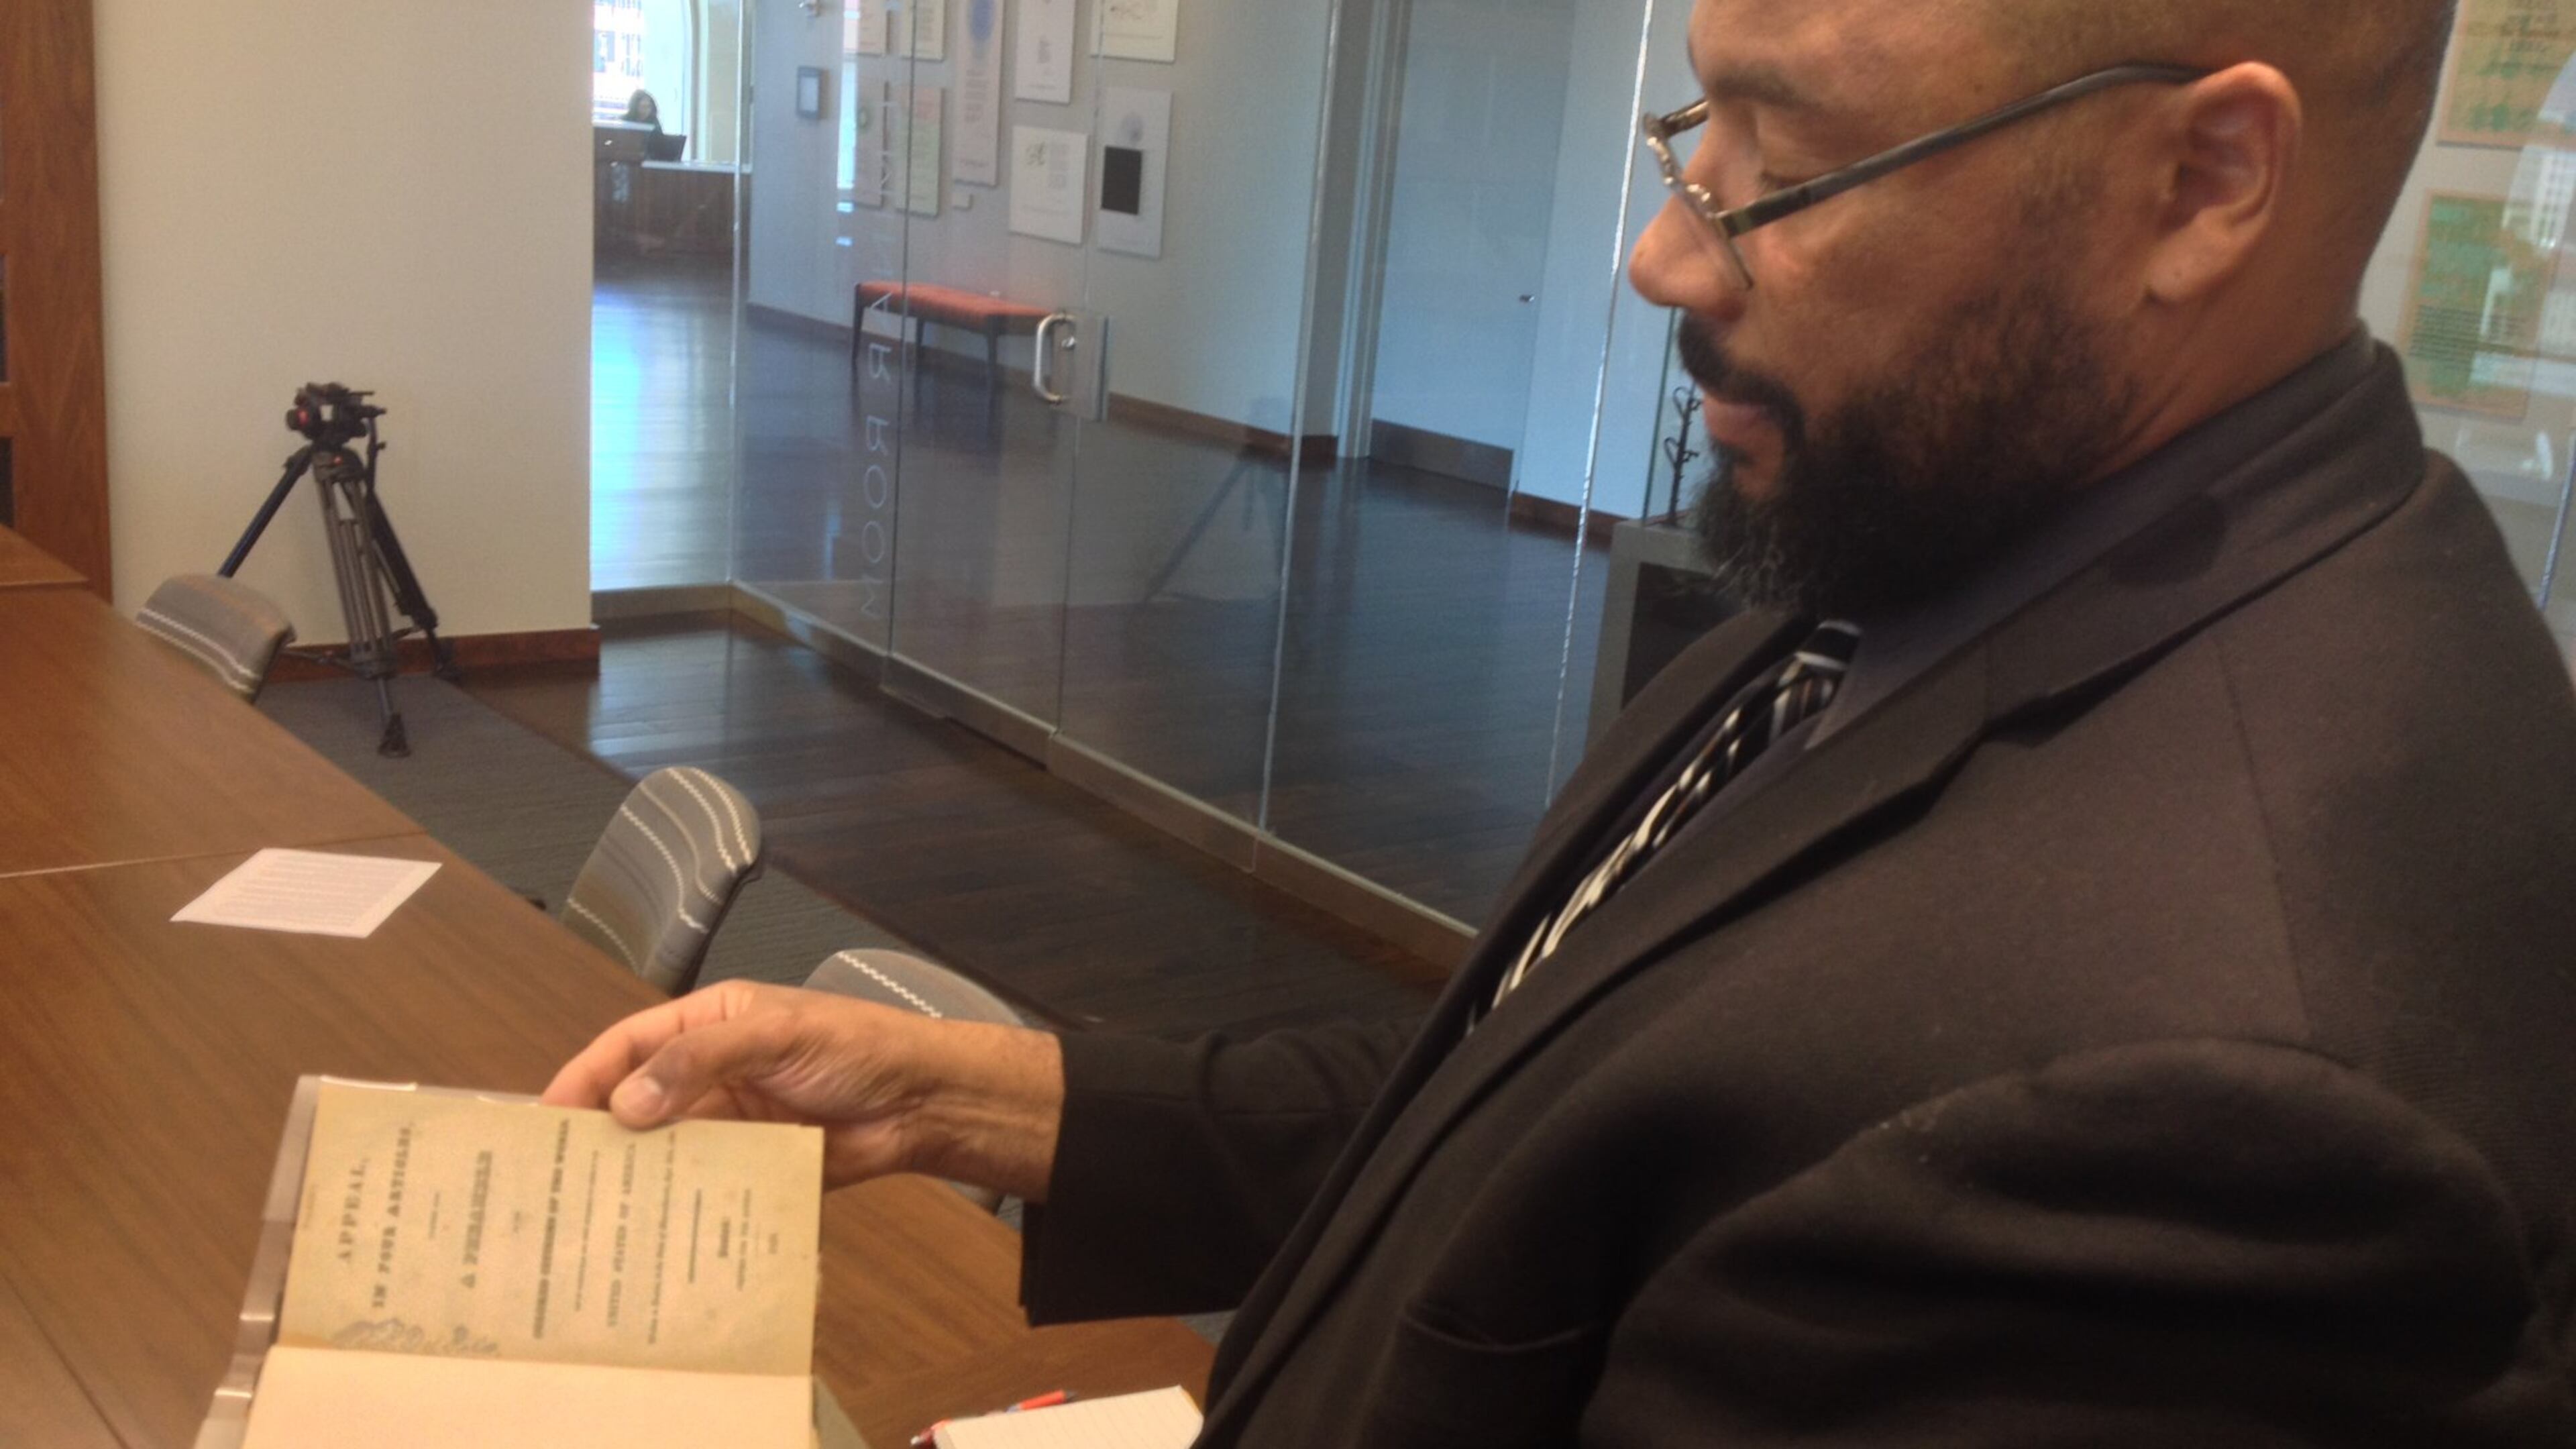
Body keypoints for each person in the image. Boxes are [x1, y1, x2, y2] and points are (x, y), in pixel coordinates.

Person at [548, 0, 2576, 1440]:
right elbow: (1566, 1111)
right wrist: (965, 1098)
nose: (1665, 248)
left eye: (1785, 168)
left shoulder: (2253, 1104)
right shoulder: (1964, 550)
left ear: (2205, 178)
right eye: (1699, 137)